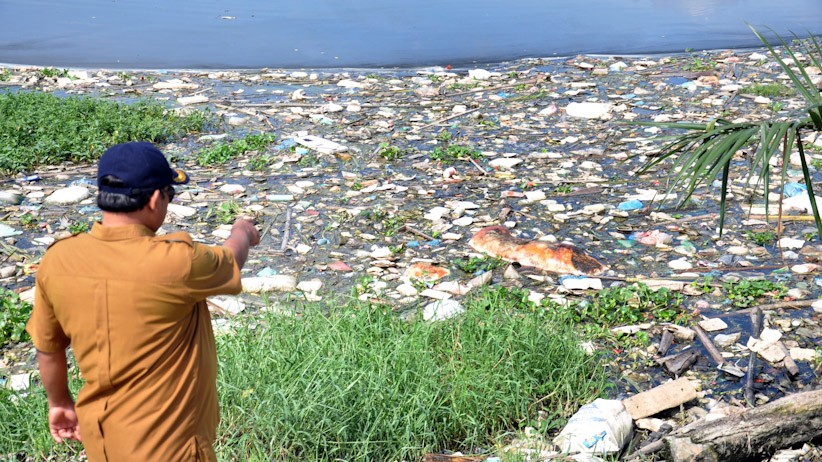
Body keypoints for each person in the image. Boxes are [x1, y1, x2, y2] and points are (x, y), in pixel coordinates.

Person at [26, 141, 260, 461]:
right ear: (154, 199)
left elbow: (48, 346)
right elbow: (231, 260)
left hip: (102, 442)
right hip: (171, 448)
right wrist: (243, 230)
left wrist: (59, 403)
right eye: (170, 194)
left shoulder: (59, 260)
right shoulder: (177, 263)